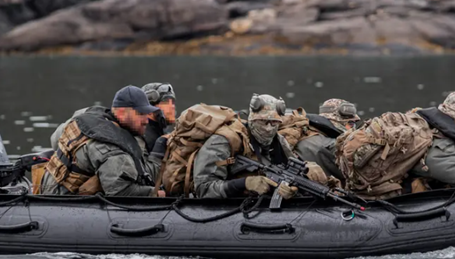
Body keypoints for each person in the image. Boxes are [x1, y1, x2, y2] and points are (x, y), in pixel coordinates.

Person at [192, 94, 327, 199]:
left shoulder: (278, 141)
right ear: (251, 120)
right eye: (263, 122)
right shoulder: (224, 141)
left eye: (274, 123)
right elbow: (203, 189)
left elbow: (289, 171)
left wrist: (293, 189)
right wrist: (245, 183)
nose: (269, 128)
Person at [41, 86, 167, 197]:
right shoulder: (111, 146)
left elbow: (54, 140)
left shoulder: (86, 115)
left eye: (147, 114)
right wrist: (155, 193)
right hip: (63, 201)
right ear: (122, 112)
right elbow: (120, 193)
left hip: (47, 186)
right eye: (140, 113)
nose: (146, 120)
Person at [294, 99, 361, 181]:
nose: (353, 128)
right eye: (350, 123)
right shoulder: (333, 146)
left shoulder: (302, 134)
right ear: (336, 121)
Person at [141, 83, 176, 152]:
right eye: (165, 102)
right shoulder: (140, 137)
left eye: (173, 102)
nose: (172, 106)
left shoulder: (163, 132)